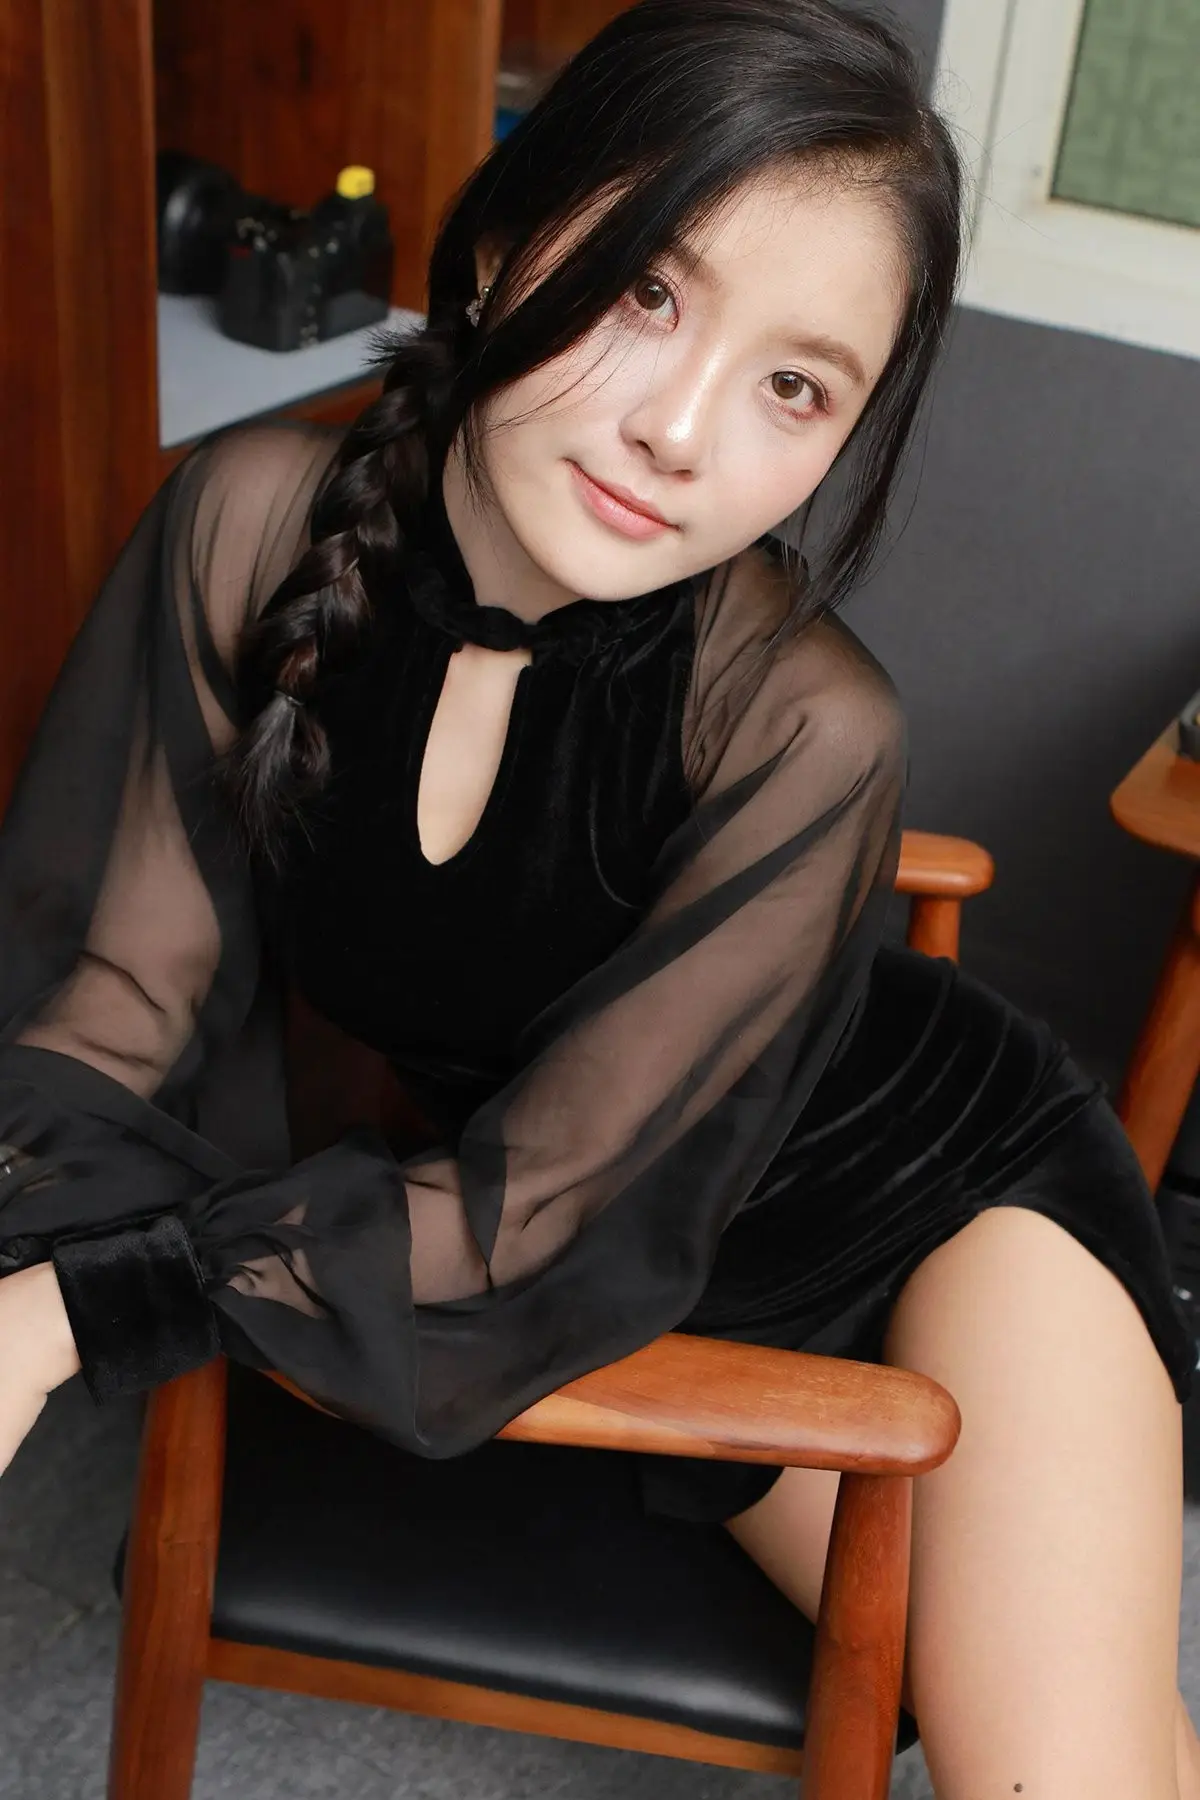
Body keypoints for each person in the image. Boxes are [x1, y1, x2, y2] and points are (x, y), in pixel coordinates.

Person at [0, 0, 1196, 1790]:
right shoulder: (249, 526)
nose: (681, 434)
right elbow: (114, 1004)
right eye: (648, 292)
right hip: (645, 1255)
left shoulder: (805, 717)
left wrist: (79, 1311)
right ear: (498, 243)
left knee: (1071, 1770)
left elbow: (547, 1204)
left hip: (928, 1200)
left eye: (796, 387)